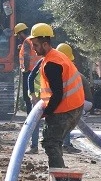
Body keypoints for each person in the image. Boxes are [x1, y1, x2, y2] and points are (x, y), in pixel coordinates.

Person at [27, 23, 85, 168]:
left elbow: (58, 94)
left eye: (35, 45)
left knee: (50, 142)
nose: (33, 48)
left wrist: (46, 113)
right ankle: (60, 174)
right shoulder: (54, 56)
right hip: (72, 107)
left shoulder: (52, 63)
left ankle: (59, 176)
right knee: (54, 141)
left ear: (45, 44)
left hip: (65, 109)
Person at [16, 22, 42, 115]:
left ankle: (29, 115)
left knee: (28, 96)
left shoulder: (27, 42)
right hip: (39, 70)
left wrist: (25, 69)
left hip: (29, 71)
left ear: (20, 33)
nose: (18, 37)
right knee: (37, 94)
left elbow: (27, 56)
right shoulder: (34, 39)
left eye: (18, 35)